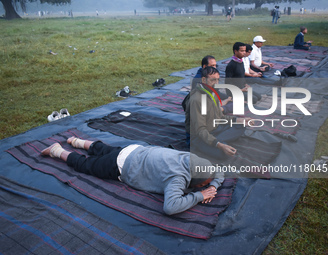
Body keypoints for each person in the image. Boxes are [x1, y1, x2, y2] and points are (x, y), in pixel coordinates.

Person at [41, 137, 223, 216]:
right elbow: (170, 207)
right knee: (87, 165)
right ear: (195, 182)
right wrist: (199, 196)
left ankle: (77, 141)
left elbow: (219, 169)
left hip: (134, 149)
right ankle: (57, 151)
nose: (204, 187)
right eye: (204, 185)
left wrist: (213, 186)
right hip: (121, 166)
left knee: (103, 148)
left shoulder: (193, 159)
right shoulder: (178, 178)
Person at [185, 66, 249, 160]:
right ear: (203, 79)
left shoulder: (213, 93)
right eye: (213, 80)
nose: (216, 83)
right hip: (199, 137)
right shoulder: (197, 99)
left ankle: (216, 141)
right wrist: (220, 145)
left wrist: (238, 120)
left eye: (218, 80)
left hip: (215, 128)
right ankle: (216, 142)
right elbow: (200, 130)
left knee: (241, 125)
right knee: (224, 154)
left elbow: (220, 117)